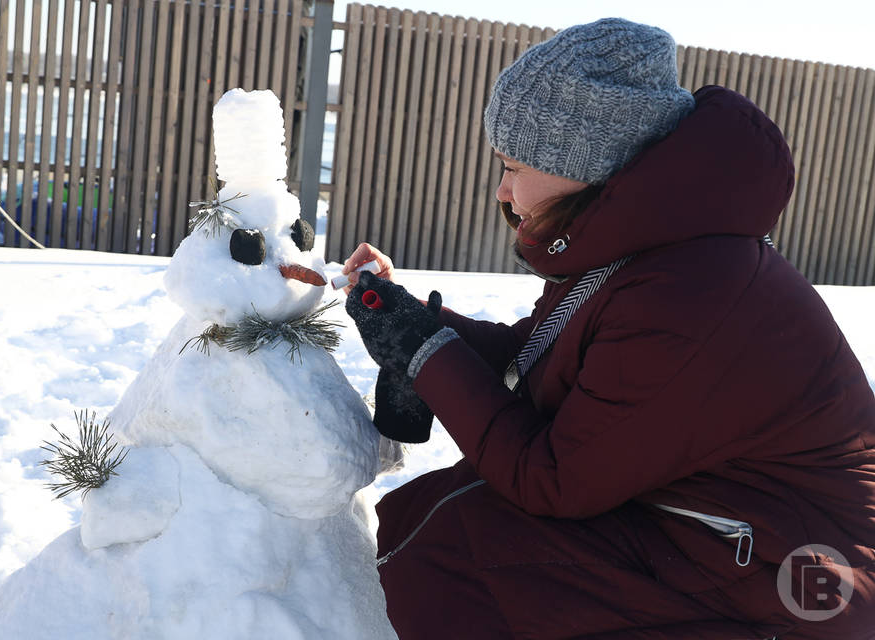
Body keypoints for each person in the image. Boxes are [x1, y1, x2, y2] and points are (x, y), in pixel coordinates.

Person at [341, 17, 875, 640]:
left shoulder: (692, 291)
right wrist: (417, 324)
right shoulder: (646, 246)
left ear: (587, 163)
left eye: (514, 165)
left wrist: (427, 352)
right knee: (447, 521)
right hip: (715, 521)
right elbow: (541, 357)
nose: (503, 190)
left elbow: (555, 478)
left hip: (796, 577)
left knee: (464, 566)